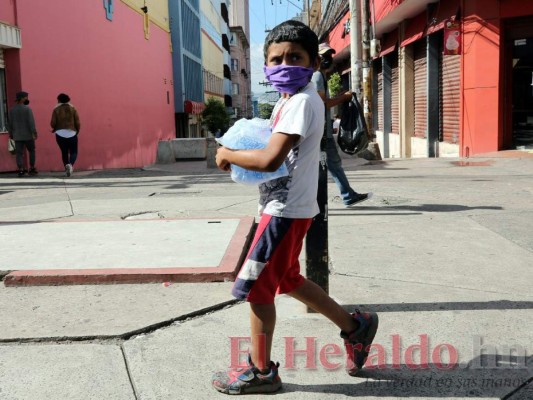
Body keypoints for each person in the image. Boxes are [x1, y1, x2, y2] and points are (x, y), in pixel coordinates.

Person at [211, 20, 378, 395]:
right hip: (286, 208)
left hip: (284, 211)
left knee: (256, 290)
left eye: (295, 57)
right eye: (275, 59)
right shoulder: (292, 101)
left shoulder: (301, 102)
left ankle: (262, 372)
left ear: (313, 64)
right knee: (286, 279)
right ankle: (356, 326)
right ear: (266, 67)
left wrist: (228, 153)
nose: (284, 64)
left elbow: (271, 160)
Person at [311, 43, 372, 207]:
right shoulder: (317, 76)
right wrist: (343, 98)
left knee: (332, 165)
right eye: (324, 56)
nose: (327, 59)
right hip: (321, 132)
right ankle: (346, 196)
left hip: (323, 131)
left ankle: (347, 195)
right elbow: (322, 103)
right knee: (330, 165)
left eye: (329, 55)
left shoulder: (321, 76)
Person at [7, 91, 38, 176]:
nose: (27, 99)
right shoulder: (28, 109)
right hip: (28, 135)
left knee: (19, 153)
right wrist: (34, 132)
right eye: (26, 97)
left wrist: (11, 134)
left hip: (17, 135)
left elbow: (10, 123)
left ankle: (21, 169)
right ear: (22, 99)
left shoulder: (12, 110)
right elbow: (31, 123)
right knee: (31, 151)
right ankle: (32, 168)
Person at [51, 93, 80, 177]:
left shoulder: (56, 109)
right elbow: (77, 121)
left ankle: (66, 165)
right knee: (74, 151)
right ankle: (70, 165)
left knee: (64, 152)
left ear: (59, 100)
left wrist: (56, 127)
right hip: (72, 132)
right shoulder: (73, 108)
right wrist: (77, 130)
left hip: (60, 134)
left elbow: (52, 123)